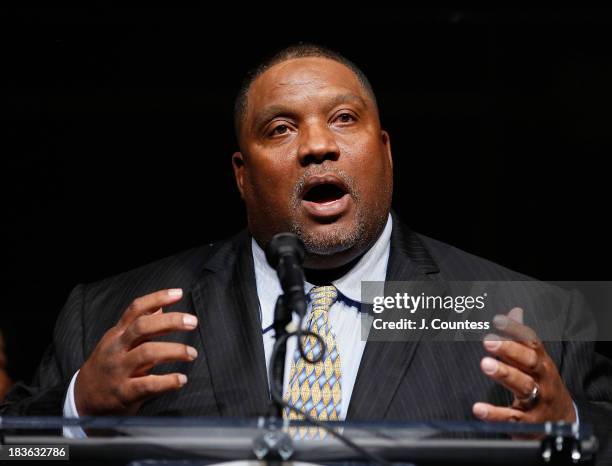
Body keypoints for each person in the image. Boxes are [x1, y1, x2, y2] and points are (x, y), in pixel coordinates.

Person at [1, 45, 611, 440]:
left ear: (386, 151)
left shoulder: (534, 310)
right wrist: (76, 413)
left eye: (344, 119)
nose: (317, 144)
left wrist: (572, 432)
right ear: (241, 174)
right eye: (281, 127)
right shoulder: (109, 316)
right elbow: (22, 456)